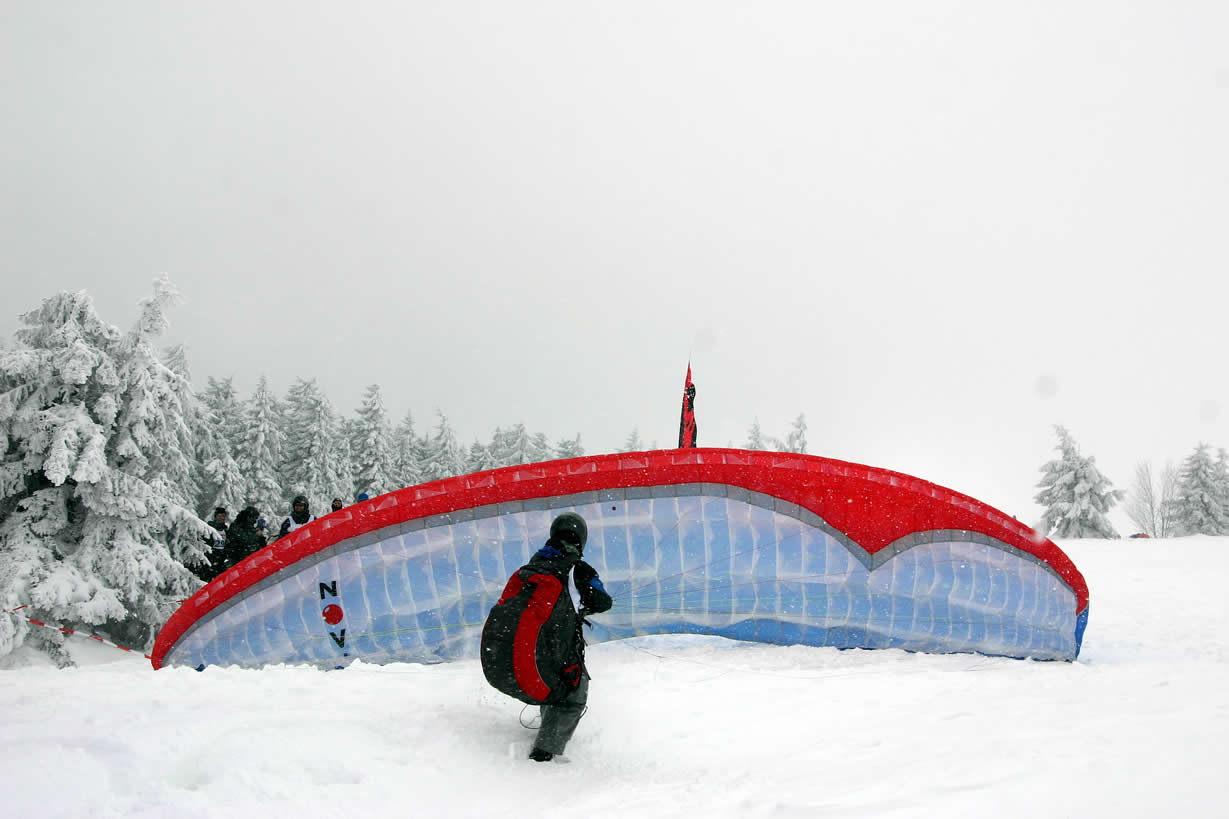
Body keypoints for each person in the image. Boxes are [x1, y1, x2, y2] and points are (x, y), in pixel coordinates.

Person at [521, 512, 612, 762]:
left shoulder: (533, 565)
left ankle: (546, 729)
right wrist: (583, 604)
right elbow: (603, 601)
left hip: (532, 643)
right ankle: (542, 755)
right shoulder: (579, 569)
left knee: (552, 685)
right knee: (574, 696)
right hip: (561, 645)